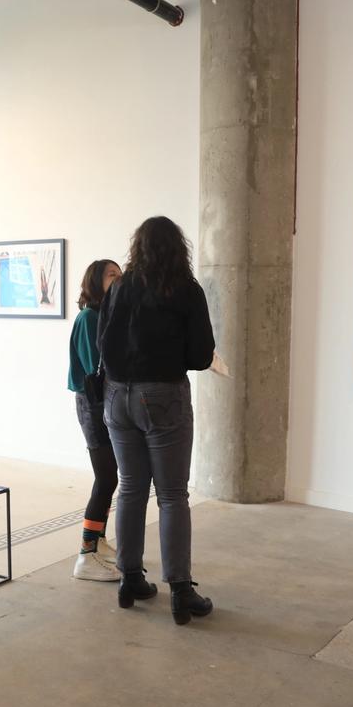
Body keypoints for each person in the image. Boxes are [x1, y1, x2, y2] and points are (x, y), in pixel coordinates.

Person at [98, 217, 216, 625]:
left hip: (117, 396)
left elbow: (103, 342)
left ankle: (130, 579)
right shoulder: (185, 290)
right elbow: (201, 355)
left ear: (138, 247)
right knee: (171, 494)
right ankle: (181, 591)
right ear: (178, 248)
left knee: (131, 488)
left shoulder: (119, 288)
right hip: (163, 395)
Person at [68, 259, 123, 581]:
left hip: (103, 403)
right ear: (95, 281)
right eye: (111, 275)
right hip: (93, 405)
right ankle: (86, 554)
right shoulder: (89, 317)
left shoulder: (105, 315)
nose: (118, 279)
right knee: (105, 479)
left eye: (120, 274)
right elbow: (96, 368)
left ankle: (98, 541)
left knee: (110, 478)